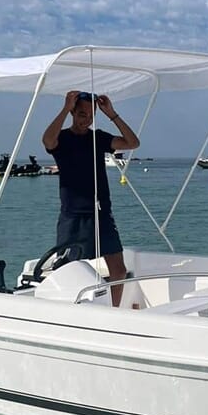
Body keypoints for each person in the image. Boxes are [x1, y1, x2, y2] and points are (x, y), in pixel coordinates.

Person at [42, 90, 140, 307]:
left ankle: (114, 312)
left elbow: (133, 143)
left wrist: (112, 114)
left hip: (102, 213)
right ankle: (73, 313)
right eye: (81, 114)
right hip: (73, 216)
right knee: (69, 269)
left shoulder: (98, 138)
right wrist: (65, 108)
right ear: (73, 113)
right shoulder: (63, 139)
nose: (86, 120)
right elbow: (47, 140)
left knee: (119, 269)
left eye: (90, 115)